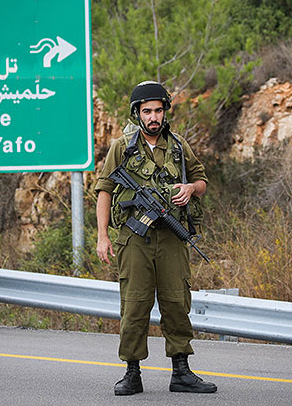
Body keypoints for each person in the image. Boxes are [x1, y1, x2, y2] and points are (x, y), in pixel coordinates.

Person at [95, 80, 217, 395]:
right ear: (138, 113)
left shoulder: (178, 146)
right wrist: (102, 236)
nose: (153, 117)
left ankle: (181, 371)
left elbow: (202, 179)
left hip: (173, 238)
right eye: (147, 111)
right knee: (134, 304)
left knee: (176, 301)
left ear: (165, 113)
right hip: (134, 239)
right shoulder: (122, 147)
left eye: (158, 110)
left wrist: (191, 189)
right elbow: (104, 190)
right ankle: (132, 373)